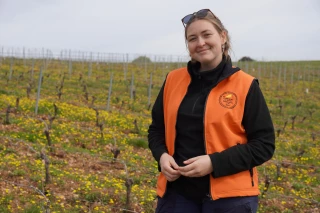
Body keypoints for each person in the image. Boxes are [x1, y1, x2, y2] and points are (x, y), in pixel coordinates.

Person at [148, 8, 275, 213]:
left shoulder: (246, 85)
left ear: (222, 37)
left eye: (207, 35)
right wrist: (162, 156)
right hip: (177, 194)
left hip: (230, 199)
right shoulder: (173, 80)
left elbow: (264, 145)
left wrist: (213, 163)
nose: (200, 43)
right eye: (192, 38)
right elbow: (156, 130)